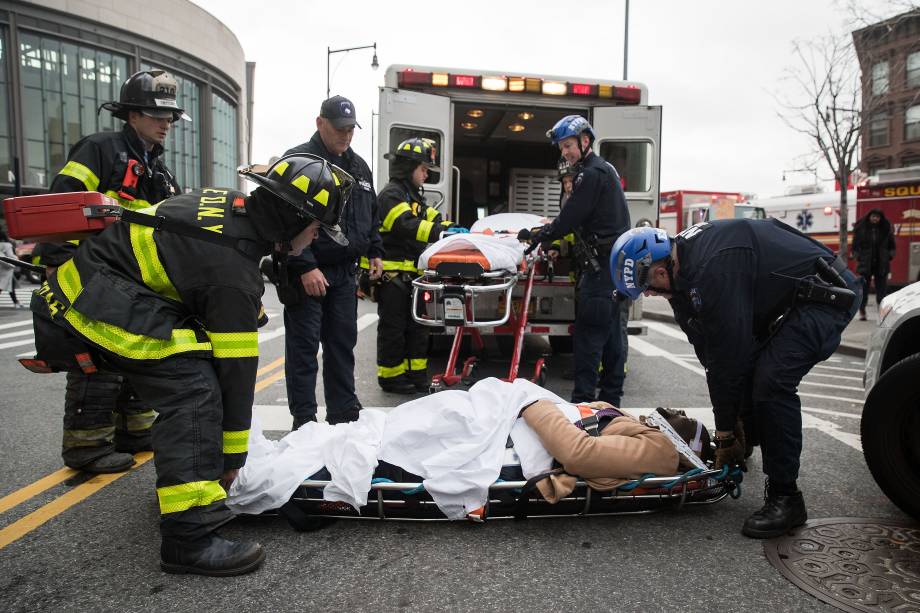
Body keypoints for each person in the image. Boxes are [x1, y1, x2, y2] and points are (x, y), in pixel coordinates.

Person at [26, 152, 353, 575]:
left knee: (194, 373)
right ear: (291, 220)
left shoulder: (232, 207)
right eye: (313, 227)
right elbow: (237, 373)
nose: (314, 238)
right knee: (195, 392)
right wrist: (230, 460)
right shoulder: (231, 272)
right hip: (91, 304)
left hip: (95, 289)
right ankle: (190, 536)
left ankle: (185, 476)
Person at [610, 220, 861, 538]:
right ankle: (752, 437)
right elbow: (708, 351)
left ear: (660, 269)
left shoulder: (714, 270)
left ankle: (787, 498)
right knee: (744, 369)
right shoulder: (680, 275)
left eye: (648, 286)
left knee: (771, 382)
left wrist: (726, 433)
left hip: (827, 294)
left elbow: (730, 357)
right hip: (783, 298)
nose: (649, 293)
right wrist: (734, 424)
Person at [33, 69, 184, 474]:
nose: (165, 123)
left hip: (136, 281)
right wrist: (55, 263)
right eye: (156, 115)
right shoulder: (100, 150)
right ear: (131, 115)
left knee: (136, 353)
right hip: (91, 273)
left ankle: (135, 432)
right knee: (95, 359)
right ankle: (87, 447)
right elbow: (64, 203)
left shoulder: (161, 173)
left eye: (169, 117)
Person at [281, 95, 384, 429]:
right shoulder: (299, 161)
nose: (346, 135)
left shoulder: (358, 167)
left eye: (351, 129)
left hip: (344, 274)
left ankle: (343, 415)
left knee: (341, 345)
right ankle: (304, 421)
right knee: (305, 350)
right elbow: (282, 221)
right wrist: (305, 265)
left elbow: (371, 215)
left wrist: (375, 252)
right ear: (320, 123)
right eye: (340, 129)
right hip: (309, 271)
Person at [526, 116, 630, 407]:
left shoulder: (591, 174)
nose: (565, 152)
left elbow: (569, 219)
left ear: (585, 141)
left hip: (599, 274)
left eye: (568, 145)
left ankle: (583, 407)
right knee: (612, 340)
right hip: (613, 270)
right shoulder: (605, 170)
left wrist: (537, 235)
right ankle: (611, 405)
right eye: (561, 147)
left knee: (588, 342)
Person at [375, 137, 459, 393]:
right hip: (392, 275)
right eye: (423, 169)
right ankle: (390, 377)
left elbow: (430, 219)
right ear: (408, 167)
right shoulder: (391, 195)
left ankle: (416, 375)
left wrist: (453, 228)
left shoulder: (414, 197)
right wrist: (441, 234)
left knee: (418, 328)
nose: (426, 175)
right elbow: (406, 225)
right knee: (394, 328)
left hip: (411, 276)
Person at [852, 208, 895, 320]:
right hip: (865, 263)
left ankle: (882, 312)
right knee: (863, 290)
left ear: (880, 218)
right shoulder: (861, 229)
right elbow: (855, 246)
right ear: (869, 217)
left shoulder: (886, 229)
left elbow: (892, 246)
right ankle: (862, 311)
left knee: (881, 291)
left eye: (877, 216)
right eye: (873, 216)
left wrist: (889, 255)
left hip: (881, 264)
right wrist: (858, 257)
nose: (875, 218)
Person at [0, 230, 24, 308]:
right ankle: (16, 302)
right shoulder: (7, 245)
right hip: (6, 268)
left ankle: (16, 302)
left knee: (10, 285)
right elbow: (10, 256)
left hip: (1, 267)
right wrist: (17, 257)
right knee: (5, 285)